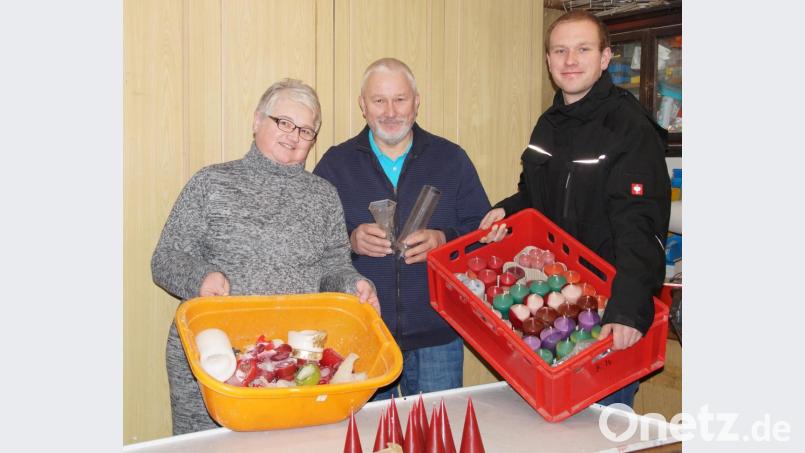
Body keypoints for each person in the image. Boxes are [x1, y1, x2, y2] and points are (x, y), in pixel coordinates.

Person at [151, 78, 380, 435]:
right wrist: (201, 277)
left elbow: (334, 265)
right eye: (284, 123)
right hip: (214, 363)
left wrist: (354, 283)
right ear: (258, 120)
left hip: (293, 365)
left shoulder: (323, 196)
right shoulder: (211, 183)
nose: (294, 135)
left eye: (306, 130)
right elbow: (165, 259)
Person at [479, 11, 671, 407]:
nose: (570, 60)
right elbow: (534, 195)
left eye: (583, 49)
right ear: (548, 60)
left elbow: (642, 225)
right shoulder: (547, 125)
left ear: (605, 58)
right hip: (556, 298)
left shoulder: (629, 127)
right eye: (560, 50)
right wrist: (507, 210)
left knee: (599, 429)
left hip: (605, 310)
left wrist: (628, 311)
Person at [313, 58, 490, 399]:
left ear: (416, 102)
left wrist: (445, 240)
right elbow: (310, 242)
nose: (390, 111)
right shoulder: (335, 165)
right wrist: (351, 240)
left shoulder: (451, 159)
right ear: (363, 106)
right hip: (364, 337)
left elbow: (481, 235)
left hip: (439, 334)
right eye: (379, 100)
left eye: (400, 99)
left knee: (436, 439)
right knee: (374, 443)